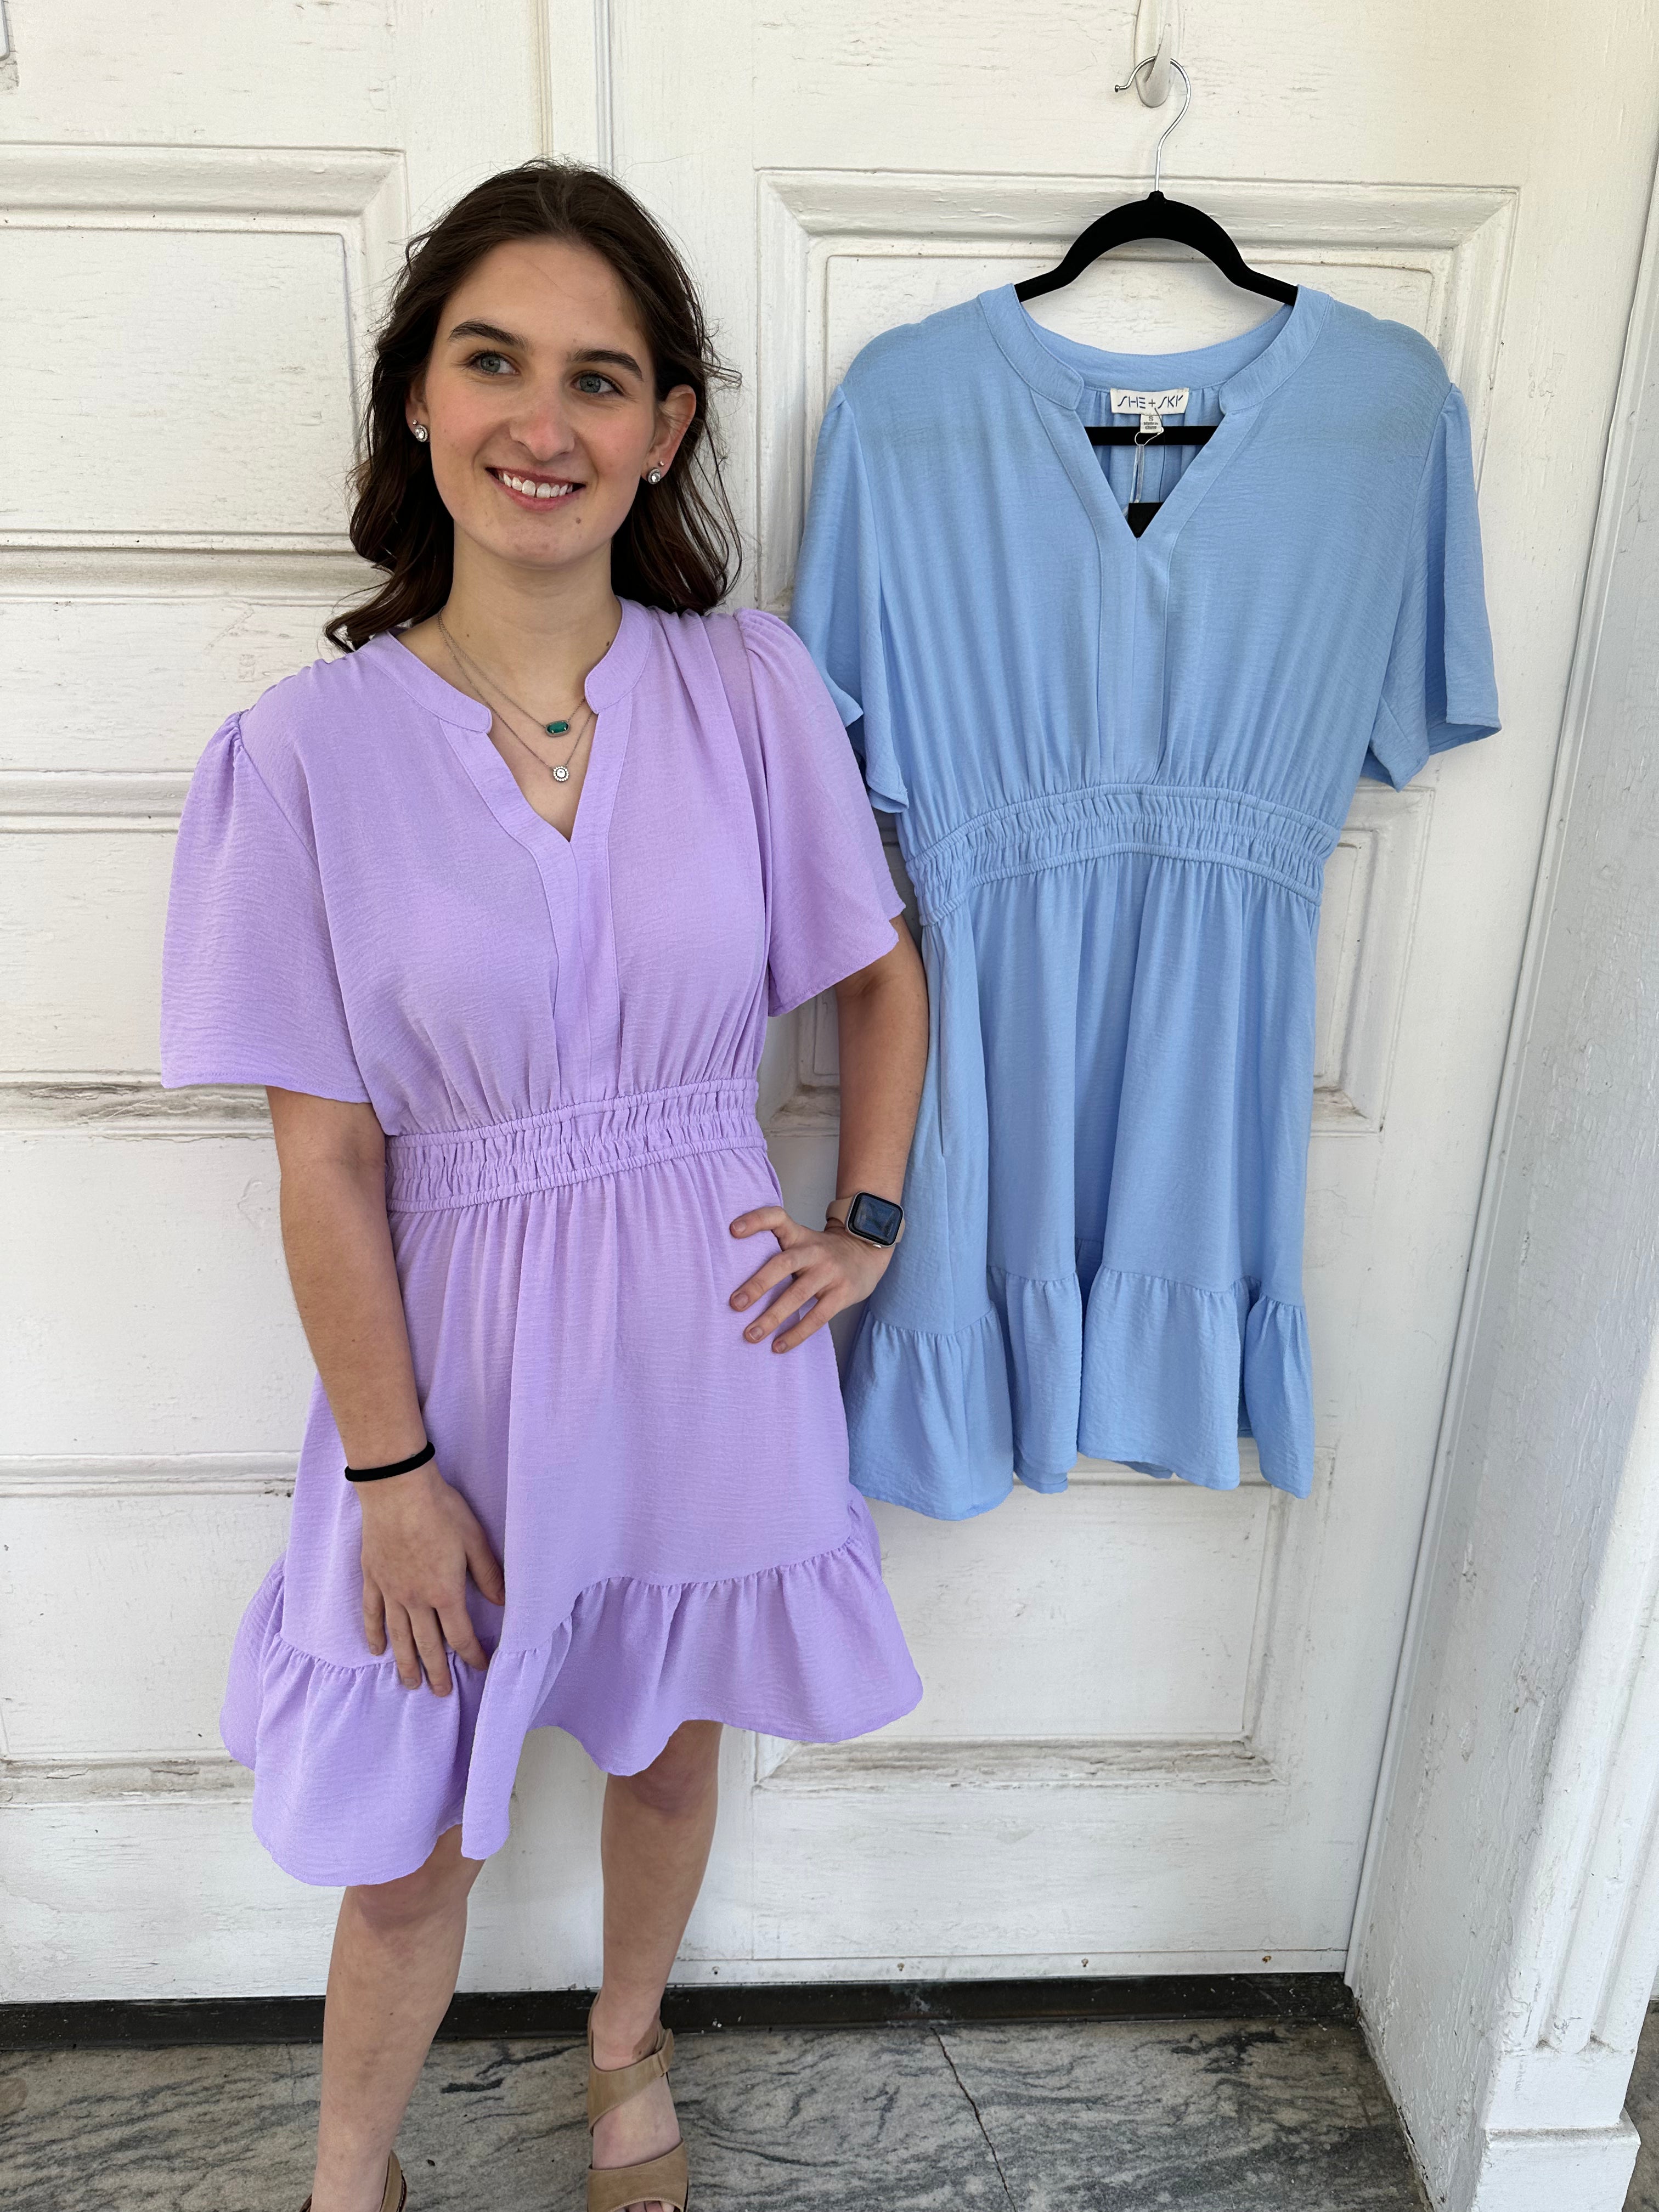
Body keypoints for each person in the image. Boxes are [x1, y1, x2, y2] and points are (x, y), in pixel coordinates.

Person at [159, 158, 929, 2212]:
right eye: (493, 360)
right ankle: (350, 2166)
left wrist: (866, 1222)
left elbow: (877, 969)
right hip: (453, 1363)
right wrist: (397, 1473)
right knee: (416, 1821)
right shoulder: (301, 757)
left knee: (667, 1736)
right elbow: (322, 1161)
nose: (544, 421)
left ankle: (624, 2055)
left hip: (709, 1319)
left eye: (603, 380)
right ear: (417, 393)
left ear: (664, 428)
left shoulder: (751, 687)